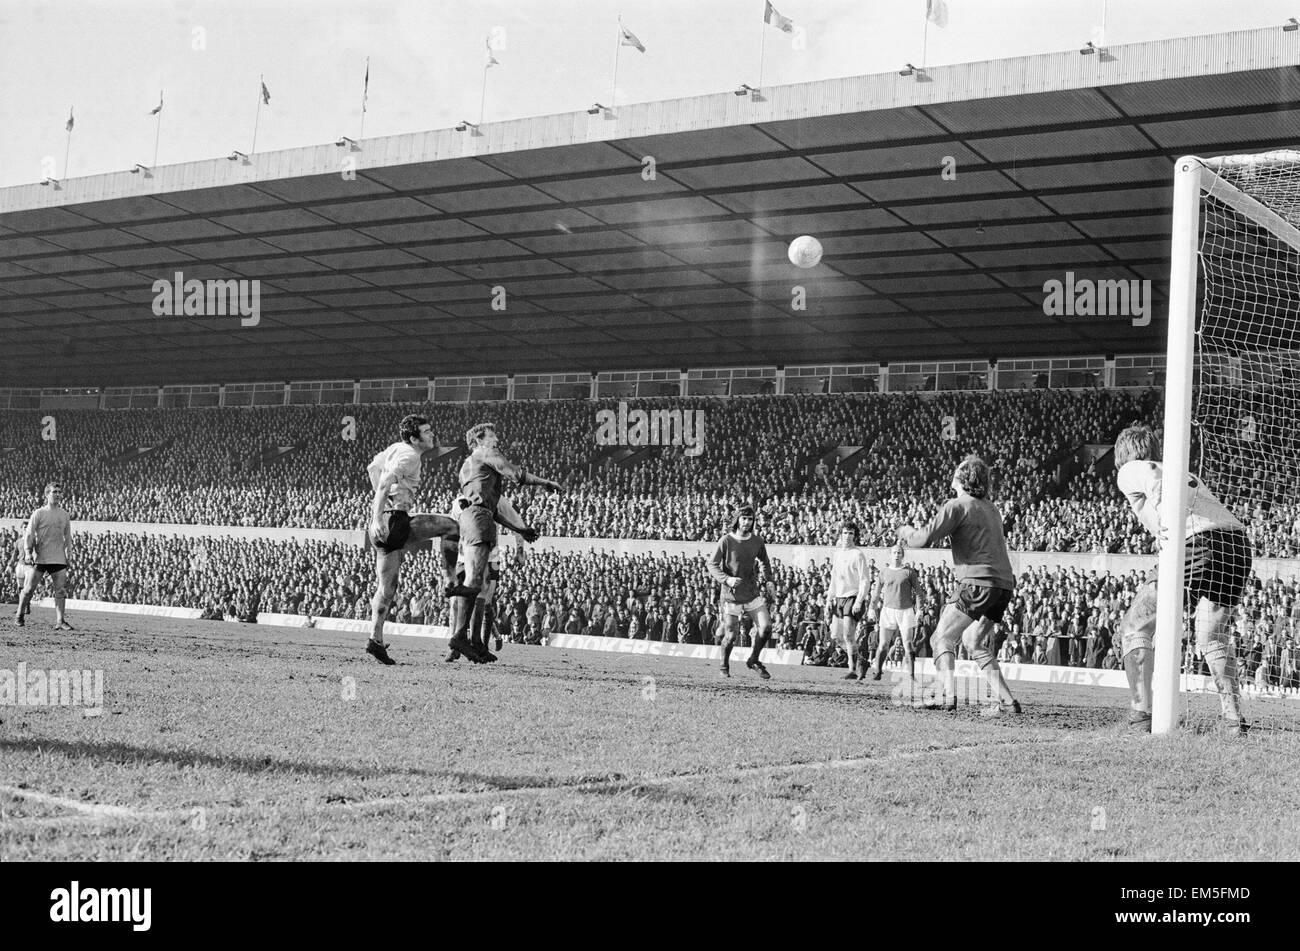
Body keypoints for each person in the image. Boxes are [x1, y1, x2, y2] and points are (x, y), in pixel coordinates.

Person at [1113, 424, 1252, 734]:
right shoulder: (1183, 472)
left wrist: (1165, 513)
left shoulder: (1130, 469)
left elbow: (1148, 471)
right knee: (1211, 636)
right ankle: (1232, 719)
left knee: (1134, 626)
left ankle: (1140, 714)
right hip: (1236, 543)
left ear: (1123, 452)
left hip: (1196, 539)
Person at [897, 456, 1022, 715]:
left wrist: (905, 531)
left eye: (955, 472)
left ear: (961, 479)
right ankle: (1008, 702)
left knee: (941, 637)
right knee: (972, 641)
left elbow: (922, 539)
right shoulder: (991, 508)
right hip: (1004, 584)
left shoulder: (956, 505)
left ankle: (946, 695)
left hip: (978, 581)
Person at [445, 422, 562, 665]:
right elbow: (515, 474)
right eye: (492, 435)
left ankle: (475, 642)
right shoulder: (486, 453)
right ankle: (459, 636)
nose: (497, 439)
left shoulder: (467, 466)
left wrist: (519, 529)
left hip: (472, 519)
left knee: (479, 584)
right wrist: (547, 483)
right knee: (476, 582)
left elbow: (494, 510)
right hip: (480, 520)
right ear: (479, 440)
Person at [706, 504, 777, 680]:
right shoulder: (726, 541)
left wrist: (769, 580)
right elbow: (712, 565)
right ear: (737, 519)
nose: (747, 522)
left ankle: (753, 659)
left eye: (750, 519)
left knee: (766, 627)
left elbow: (765, 562)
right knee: (731, 635)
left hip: (751, 593)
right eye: (744, 518)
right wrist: (727, 579)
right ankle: (724, 666)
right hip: (731, 596)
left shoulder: (757, 541)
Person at [17, 483, 73, 630]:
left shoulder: (64, 514)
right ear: (47, 494)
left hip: (58, 557)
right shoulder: (39, 513)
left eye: (60, 492)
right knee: (28, 589)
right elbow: (29, 534)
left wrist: (69, 554)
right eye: (55, 491)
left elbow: (67, 536)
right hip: (40, 557)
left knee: (60, 590)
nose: (58, 494)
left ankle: (60, 621)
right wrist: (28, 552)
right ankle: (19, 615)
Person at [869, 541, 923, 682]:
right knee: (883, 644)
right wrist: (871, 608)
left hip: (905, 611)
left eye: (899, 552)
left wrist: (919, 610)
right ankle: (878, 671)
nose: (896, 555)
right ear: (890, 555)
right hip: (888, 611)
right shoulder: (884, 572)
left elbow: (918, 592)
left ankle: (911, 675)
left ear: (902, 555)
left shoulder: (909, 572)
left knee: (908, 644)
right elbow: (876, 593)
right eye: (894, 552)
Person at [824, 521, 870, 680]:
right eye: (845, 533)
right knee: (836, 635)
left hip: (852, 596)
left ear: (855, 536)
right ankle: (861, 661)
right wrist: (829, 599)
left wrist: (859, 600)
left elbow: (865, 579)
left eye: (851, 533)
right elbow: (834, 579)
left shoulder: (858, 554)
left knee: (848, 635)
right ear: (840, 535)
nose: (847, 536)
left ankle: (852, 669)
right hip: (839, 597)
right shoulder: (837, 554)